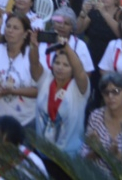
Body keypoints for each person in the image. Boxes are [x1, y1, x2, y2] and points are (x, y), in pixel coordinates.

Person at [30, 27, 90, 156]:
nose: (60, 68)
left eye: (66, 65)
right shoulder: (45, 78)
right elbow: (34, 64)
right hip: (43, 152)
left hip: (69, 156)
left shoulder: (80, 87)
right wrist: (33, 46)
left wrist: (67, 48)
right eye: (57, 63)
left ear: (72, 68)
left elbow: (80, 72)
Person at [0, 13, 37, 128]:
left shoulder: (32, 55)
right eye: (8, 26)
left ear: (26, 34)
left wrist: (13, 91)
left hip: (26, 121)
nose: (10, 31)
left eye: (15, 28)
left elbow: (38, 90)